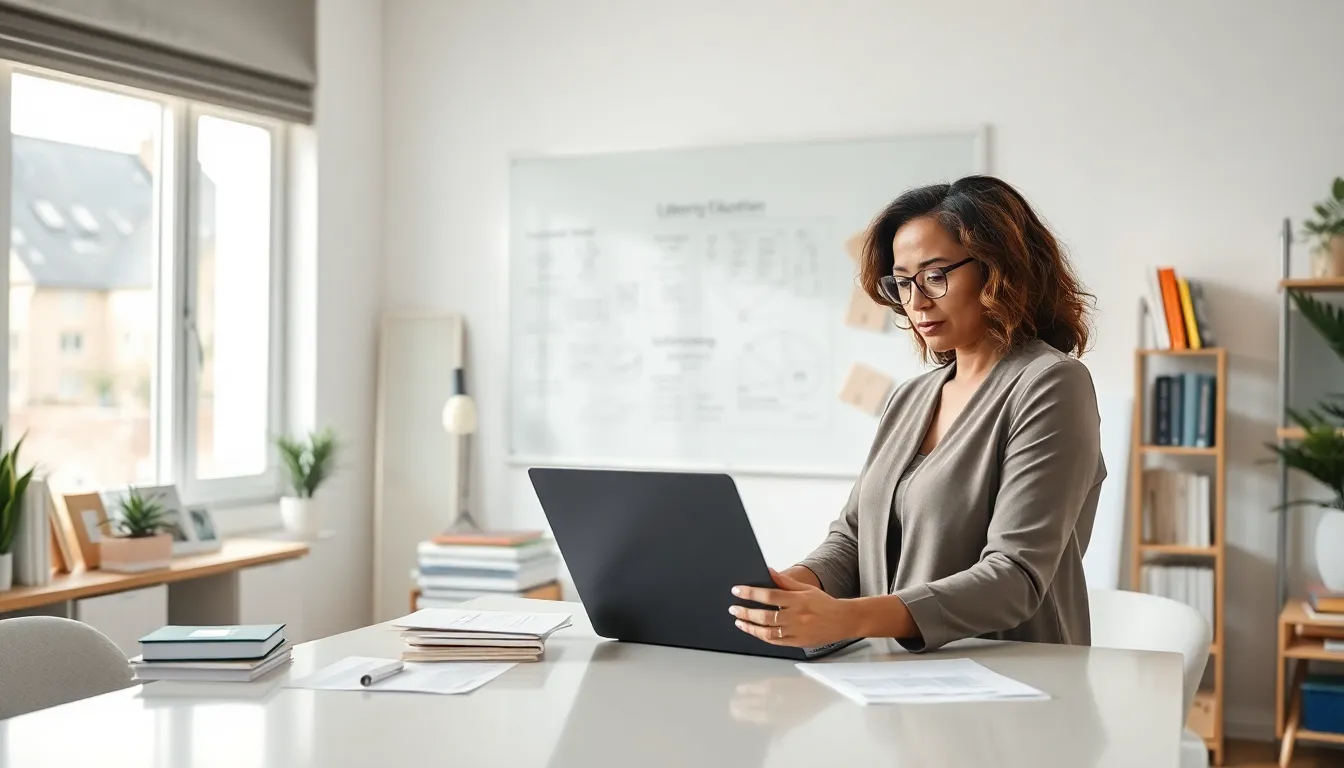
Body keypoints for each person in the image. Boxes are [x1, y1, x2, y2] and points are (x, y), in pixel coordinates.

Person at [729, 175, 1105, 653]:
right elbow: (853, 539)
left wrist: (847, 618)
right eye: (903, 283)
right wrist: (785, 590)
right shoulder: (910, 398)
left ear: (1000, 269)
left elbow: (1014, 577)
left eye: (935, 275)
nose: (916, 302)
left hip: (1014, 682)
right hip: (903, 683)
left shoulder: (1050, 383)